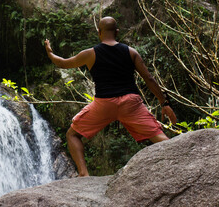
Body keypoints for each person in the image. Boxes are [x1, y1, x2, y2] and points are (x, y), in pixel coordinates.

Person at [44, 16, 177, 177]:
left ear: (99, 32)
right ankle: (180, 163)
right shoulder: (131, 52)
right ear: (117, 32)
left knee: (72, 134)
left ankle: (84, 174)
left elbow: (63, 63)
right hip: (130, 103)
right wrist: (165, 103)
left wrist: (50, 53)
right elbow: (149, 78)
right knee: (161, 138)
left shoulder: (90, 54)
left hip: (104, 104)